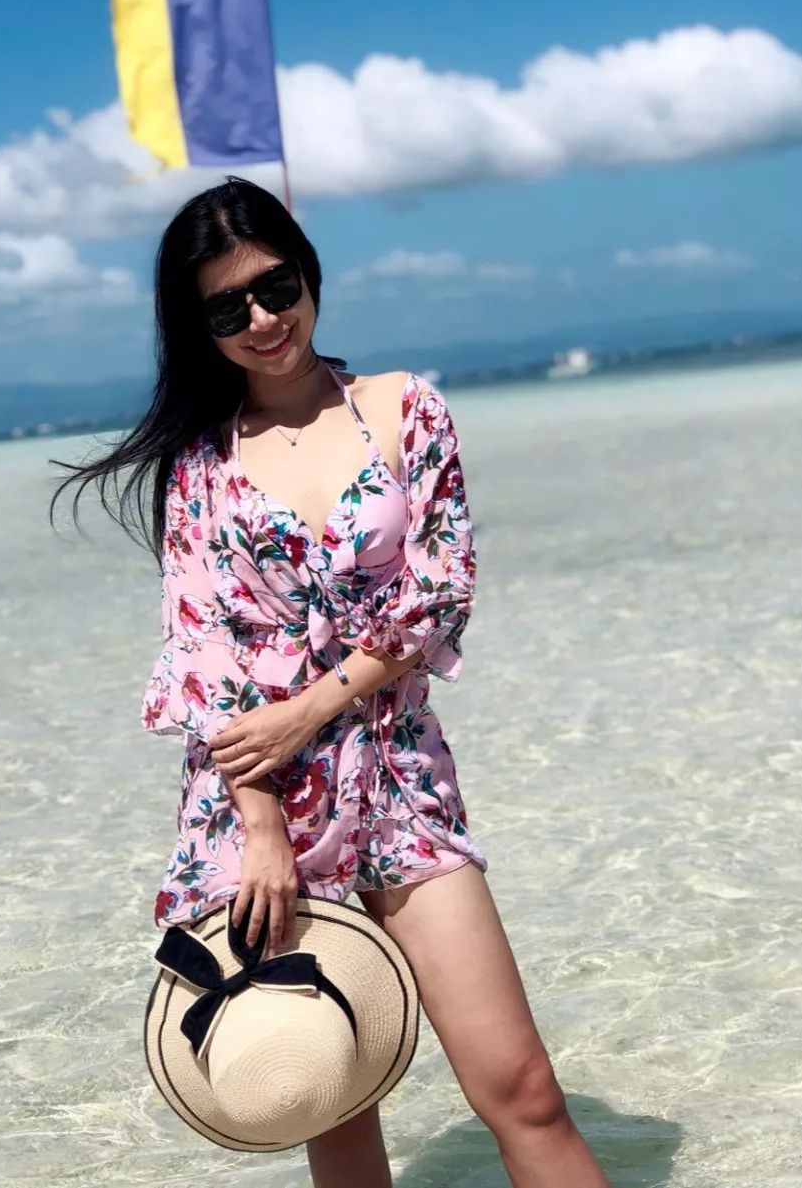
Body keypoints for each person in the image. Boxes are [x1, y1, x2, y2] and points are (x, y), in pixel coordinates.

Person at [52, 177, 610, 1188]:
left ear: (308, 272)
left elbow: (440, 590)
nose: (264, 320)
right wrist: (262, 831)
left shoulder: (404, 408)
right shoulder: (199, 465)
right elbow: (205, 657)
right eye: (228, 308)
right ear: (196, 326)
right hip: (261, 806)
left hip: (400, 778)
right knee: (330, 1098)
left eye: (276, 287)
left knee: (523, 1088)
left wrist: (311, 706)